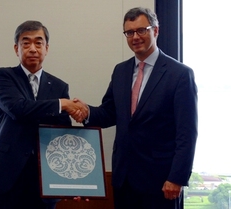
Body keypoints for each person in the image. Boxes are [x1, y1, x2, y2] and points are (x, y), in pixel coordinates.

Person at [73, 7, 198, 209]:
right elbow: (109, 113)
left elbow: (187, 132)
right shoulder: (120, 71)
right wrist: (86, 112)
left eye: (142, 30)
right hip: (124, 179)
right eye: (129, 32)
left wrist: (177, 177)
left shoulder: (180, 74)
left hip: (161, 182)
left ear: (155, 31)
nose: (135, 37)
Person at [0, 20, 87, 209]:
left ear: (46, 48)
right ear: (16, 48)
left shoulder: (59, 86)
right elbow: (18, 109)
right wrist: (61, 104)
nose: (32, 48)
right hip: (9, 175)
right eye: (26, 43)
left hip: (47, 176)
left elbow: (63, 135)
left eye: (38, 43)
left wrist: (75, 178)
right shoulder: (2, 76)